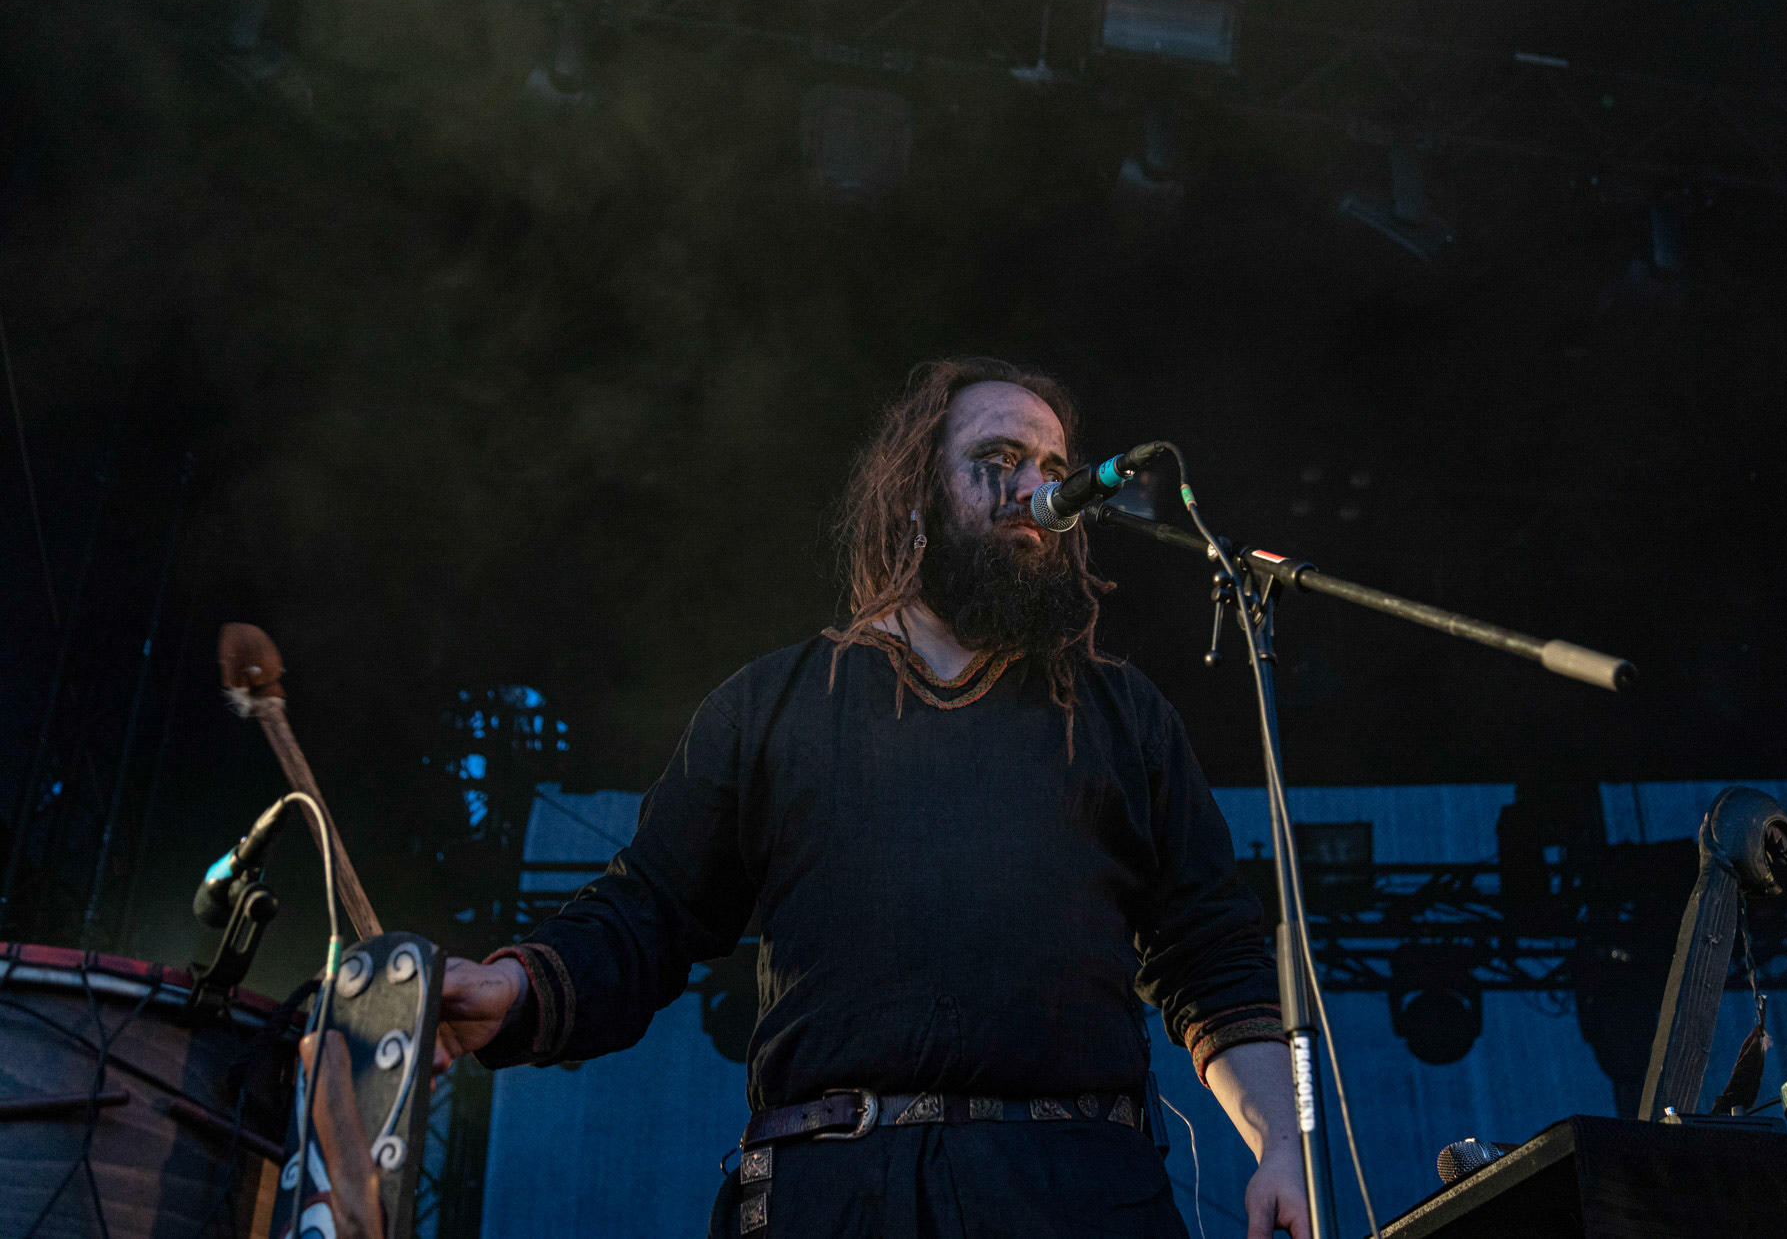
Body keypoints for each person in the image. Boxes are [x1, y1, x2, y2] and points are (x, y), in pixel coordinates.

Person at [433, 357, 1311, 1238]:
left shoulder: (1124, 718)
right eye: (1000, 457)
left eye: (1053, 468)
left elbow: (1213, 955)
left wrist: (1282, 1143)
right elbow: (647, 911)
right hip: (833, 1196)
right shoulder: (773, 705)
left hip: (1081, 1195)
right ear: (917, 490)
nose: (1037, 488)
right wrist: (516, 984)